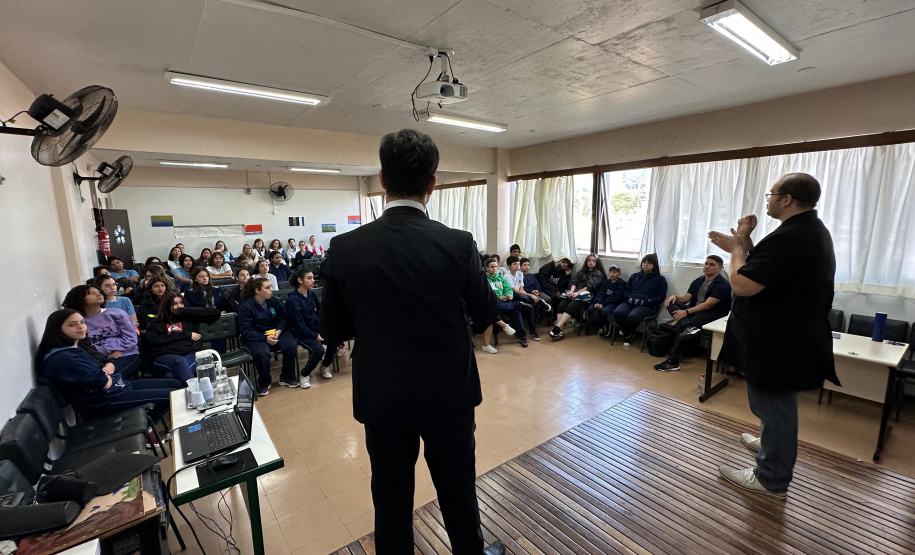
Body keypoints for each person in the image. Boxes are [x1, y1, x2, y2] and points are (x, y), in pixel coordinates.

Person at [320, 129, 505, 555]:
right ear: (432, 183)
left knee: (390, 498)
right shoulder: (458, 243)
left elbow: (332, 330)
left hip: (382, 396)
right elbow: (485, 314)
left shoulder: (345, 248)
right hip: (449, 395)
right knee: (458, 490)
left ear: (382, 180)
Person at [710, 173, 838, 499]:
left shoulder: (796, 235)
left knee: (775, 406)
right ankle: (771, 441)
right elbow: (765, 268)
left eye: (772, 194)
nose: (768, 199)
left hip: (781, 339)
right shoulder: (803, 230)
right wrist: (745, 241)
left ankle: (771, 477)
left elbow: (743, 282)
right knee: (773, 404)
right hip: (784, 335)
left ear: (787, 199)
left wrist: (736, 248)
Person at [36, 310, 181, 419]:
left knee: (175, 384)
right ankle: (149, 429)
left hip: (117, 387)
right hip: (104, 401)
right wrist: (106, 372)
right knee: (174, 395)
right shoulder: (63, 358)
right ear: (58, 329)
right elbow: (104, 383)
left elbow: (107, 363)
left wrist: (106, 369)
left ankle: (149, 425)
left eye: (82, 322)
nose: (81, 327)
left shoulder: (76, 347)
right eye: (72, 325)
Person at [654, 255, 733, 372]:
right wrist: (675, 297)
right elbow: (686, 298)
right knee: (670, 303)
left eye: (712, 265)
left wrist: (686, 312)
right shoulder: (699, 280)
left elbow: (708, 305)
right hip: (695, 310)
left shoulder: (723, 285)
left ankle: (673, 362)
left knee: (683, 323)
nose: (707, 267)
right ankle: (688, 326)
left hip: (713, 315)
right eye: (706, 263)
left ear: (720, 268)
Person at [62, 285, 141, 379]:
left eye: (99, 291)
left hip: (125, 353)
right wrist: (104, 355)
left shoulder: (117, 313)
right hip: (96, 359)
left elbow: (131, 338)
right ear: (79, 299)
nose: (99, 294)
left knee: (106, 378)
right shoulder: (78, 321)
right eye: (92, 293)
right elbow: (81, 345)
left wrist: (107, 349)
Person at [237, 277, 299, 394]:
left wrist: (279, 331)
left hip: (275, 332)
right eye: (267, 288)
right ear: (257, 290)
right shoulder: (246, 306)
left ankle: (287, 377)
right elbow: (246, 331)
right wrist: (264, 338)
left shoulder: (273, 301)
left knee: (291, 345)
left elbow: (283, 318)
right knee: (262, 354)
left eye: (271, 287)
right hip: (255, 336)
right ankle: (264, 382)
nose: (271, 290)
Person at [146, 292, 220, 381]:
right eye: (174, 304)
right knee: (179, 361)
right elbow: (155, 341)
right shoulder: (154, 324)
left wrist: (185, 310)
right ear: (165, 306)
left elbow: (215, 314)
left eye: (181, 303)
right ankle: (196, 392)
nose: (179, 306)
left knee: (170, 376)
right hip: (164, 356)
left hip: (189, 353)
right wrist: (186, 335)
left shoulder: (189, 318)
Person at [285, 268, 336, 388]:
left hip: (314, 329)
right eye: (309, 278)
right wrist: (315, 336)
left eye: (313, 278)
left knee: (333, 340)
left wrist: (324, 329)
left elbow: (320, 313)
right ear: (300, 280)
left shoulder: (311, 294)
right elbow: (299, 325)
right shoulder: (293, 300)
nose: (313, 280)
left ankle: (325, 366)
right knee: (319, 350)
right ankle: (304, 374)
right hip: (299, 333)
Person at [612, 253, 667, 346]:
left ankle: (628, 335)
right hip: (631, 302)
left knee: (632, 316)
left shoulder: (660, 279)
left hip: (647, 305)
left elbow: (661, 296)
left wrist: (649, 301)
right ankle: (628, 332)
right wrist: (628, 297)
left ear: (654, 265)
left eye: (649, 263)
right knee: (617, 312)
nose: (645, 264)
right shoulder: (634, 276)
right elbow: (626, 291)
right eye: (644, 262)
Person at [549, 253, 606, 340]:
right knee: (561, 305)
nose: (591, 262)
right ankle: (559, 330)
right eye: (589, 260)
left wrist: (578, 293)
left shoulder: (598, 273)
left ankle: (557, 328)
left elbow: (590, 286)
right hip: (576, 293)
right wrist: (571, 291)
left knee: (571, 306)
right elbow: (574, 282)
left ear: (597, 262)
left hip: (587, 296)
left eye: (593, 261)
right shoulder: (581, 271)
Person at [484, 257, 527, 348]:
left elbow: (508, 288)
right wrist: (498, 297)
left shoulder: (500, 278)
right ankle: (518, 304)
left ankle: (522, 336)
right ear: (486, 268)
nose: (495, 269)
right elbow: (486, 293)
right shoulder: (484, 279)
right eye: (492, 267)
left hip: (505, 302)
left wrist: (509, 295)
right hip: (493, 303)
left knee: (516, 311)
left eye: (496, 266)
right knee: (515, 307)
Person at [503, 255, 538, 341]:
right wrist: (530, 295)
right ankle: (539, 301)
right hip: (512, 296)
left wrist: (529, 295)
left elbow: (521, 290)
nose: (518, 266)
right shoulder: (506, 277)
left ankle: (532, 330)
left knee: (531, 306)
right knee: (523, 300)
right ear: (509, 266)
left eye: (518, 264)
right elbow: (514, 291)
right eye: (515, 264)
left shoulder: (520, 274)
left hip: (521, 296)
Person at [590, 265, 626, 337]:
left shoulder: (621, 284)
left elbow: (616, 297)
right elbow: (601, 293)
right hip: (603, 302)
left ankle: (605, 325)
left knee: (604, 311)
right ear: (608, 273)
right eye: (611, 272)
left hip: (613, 303)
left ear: (619, 274)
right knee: (591, 308)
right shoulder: (605, 283)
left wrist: (603, 304)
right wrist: (598, 302)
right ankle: (598, 325)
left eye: (615, 272)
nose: (612, 274)